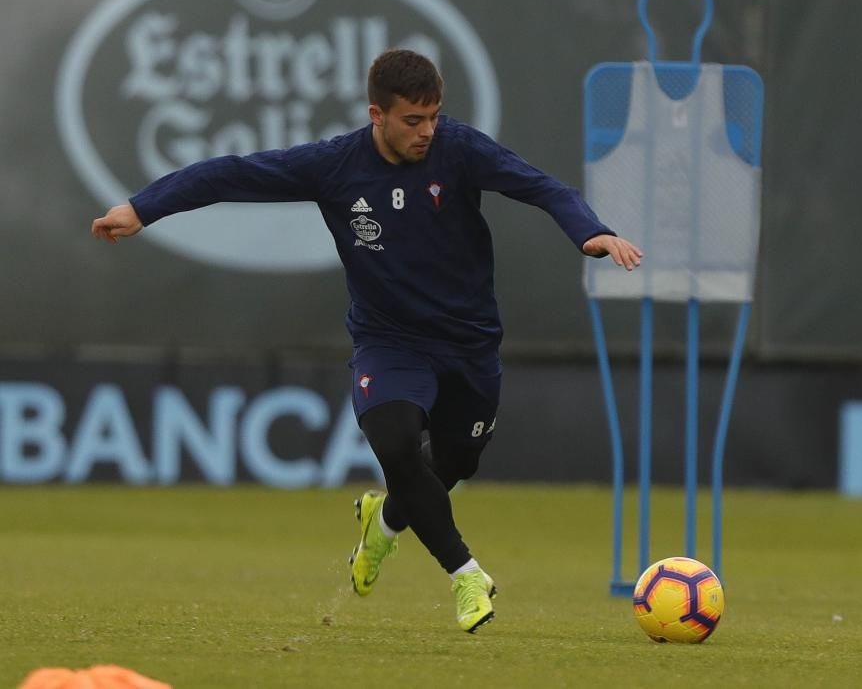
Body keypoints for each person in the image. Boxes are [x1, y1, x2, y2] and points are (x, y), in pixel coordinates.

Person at [91, 48, 642, 633]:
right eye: (413, 120)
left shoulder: (459, 149)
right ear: (376, 113)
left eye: (434, 117)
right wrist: (140, 208)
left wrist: (593, 232)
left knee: (452, 462)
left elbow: (543, 187)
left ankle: (383, 525)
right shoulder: (334, 165)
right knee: (398, 445)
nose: (427, 131)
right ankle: (466, 575)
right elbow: (227, 174)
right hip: (390, 341)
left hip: (469, 345)